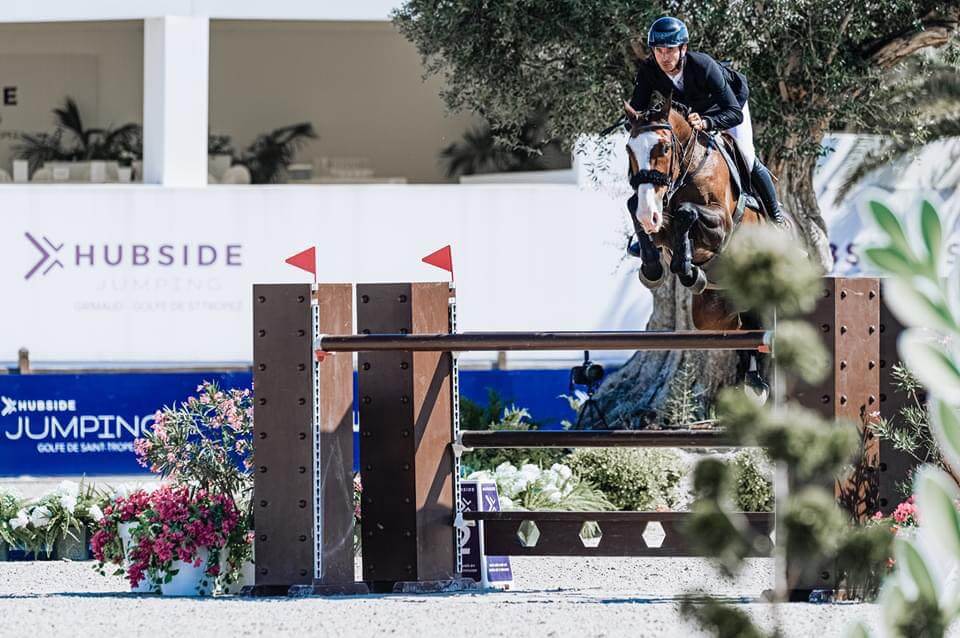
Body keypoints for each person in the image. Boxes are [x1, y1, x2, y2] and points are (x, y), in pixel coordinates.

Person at [629, 16, 785, 224]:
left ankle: (776, 218)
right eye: (659, 50)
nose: (664, 57)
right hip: (692, 113)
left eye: (670, 50)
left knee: (747, 156)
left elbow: (734, 113)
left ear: (683, 49)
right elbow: (636, 112)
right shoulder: (649, 70)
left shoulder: (703, 65)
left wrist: (707, 122)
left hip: (728, 106)